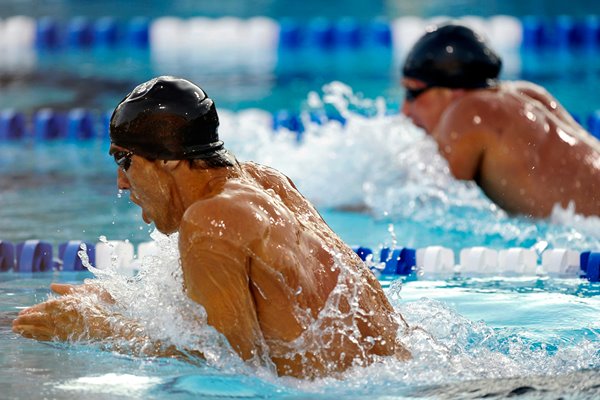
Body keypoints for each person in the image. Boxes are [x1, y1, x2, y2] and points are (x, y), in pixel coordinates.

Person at [12, 76, 410, 378]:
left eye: (124, 161)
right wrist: (125, 304)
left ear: (167, 159)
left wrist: (97, 328)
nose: (121, 183)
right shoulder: (266, 182)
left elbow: (233, 366)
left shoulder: (209, 221)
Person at [401, 23, 600, 217]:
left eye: (413, 92)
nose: (405, 110)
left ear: (453, 91)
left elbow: (423, 207)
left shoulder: (467, 113)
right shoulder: (529, 94)